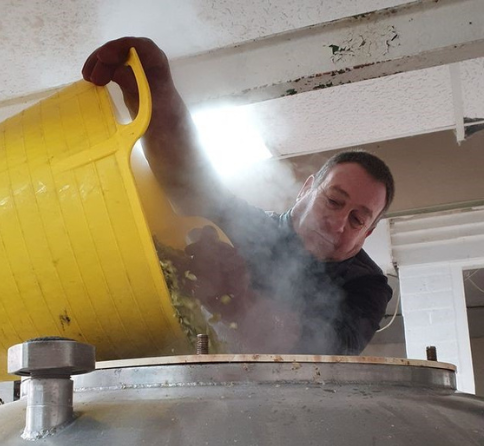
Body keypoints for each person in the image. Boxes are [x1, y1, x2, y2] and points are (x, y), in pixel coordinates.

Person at [82, 37, 395, 355]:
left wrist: (240, 300)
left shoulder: (367, 284)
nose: (338, 222)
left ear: (367, 233)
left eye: (357, 219)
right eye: (333, 200)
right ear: (306, 189)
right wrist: (154, 86)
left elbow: (330, 350)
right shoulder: (252, 227)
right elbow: (190, 182)